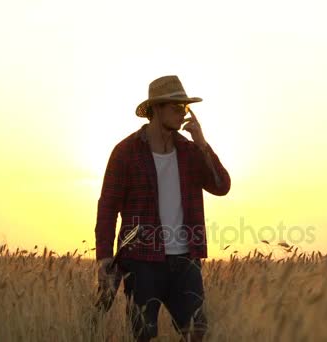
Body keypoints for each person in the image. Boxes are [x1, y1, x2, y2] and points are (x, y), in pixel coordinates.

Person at [94, 75, 231, 341]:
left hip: (185, 260)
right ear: (156, 109)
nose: (182, 114)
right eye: (176, 107)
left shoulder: (191, 152)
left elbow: (221, 186)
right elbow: (108, 207)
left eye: (185, 108)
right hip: (141, 260)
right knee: (143, 334)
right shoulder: (126, 152)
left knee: (196, 332)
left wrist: (203, 144)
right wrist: (104, 256)